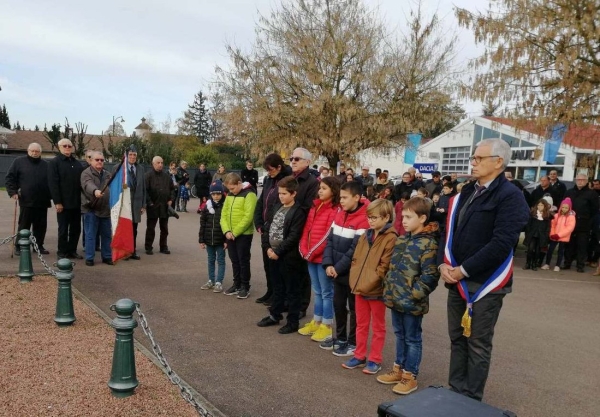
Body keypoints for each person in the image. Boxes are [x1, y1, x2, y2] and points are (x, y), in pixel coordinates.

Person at [438, 138, 529, 401]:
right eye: (473, 157)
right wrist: (444, 262)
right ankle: (455, 391)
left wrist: (463, 270)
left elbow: (501, 243)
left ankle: (470, 399)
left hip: (485, 284)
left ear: (498, 162)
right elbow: (450, 231)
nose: (473, 162)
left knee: (477, 344)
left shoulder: (511, 196)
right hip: (456, 279)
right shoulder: (467, 191)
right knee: (457, 338)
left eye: (479, 158)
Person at [377, 197, 440, 394]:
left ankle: (410, 376)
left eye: (408, 217)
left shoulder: (428, 243)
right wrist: (389, 287)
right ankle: (398, 369)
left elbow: (430, 276)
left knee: (412, 338)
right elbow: (393, 268)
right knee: (399, 335)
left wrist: (414, 295)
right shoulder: (402, 239)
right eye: (402, 216)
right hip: (396, 298)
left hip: (412, 302)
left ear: (422, 218)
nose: (403, 220)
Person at [342, 199, 397, 375]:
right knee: (361, 324)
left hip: (377, 290)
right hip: (360, 286)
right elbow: (356, 259)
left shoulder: (391, 238)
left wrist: (367, 282)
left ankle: (375, 359)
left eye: (374, 217)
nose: (370, 221)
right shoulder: (366, 235)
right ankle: (359, 355)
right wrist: (355, 279)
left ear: (386, 217)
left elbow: (384, 266)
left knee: (378, 326)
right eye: (369, 217)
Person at [321, 181, 370, 356]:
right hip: (336, 271)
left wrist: (337, 268)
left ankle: (353, 341)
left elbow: (354, 250)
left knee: (354, 308)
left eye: (344, 197)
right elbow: (330, 241)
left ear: (356, 197)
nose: (340, 201)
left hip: (351, 273)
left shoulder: (364, 219)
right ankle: (340, 337)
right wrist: (328, 264)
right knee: (338, 305)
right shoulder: (340, 214)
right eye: (340, 197)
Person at [257, 176, 308, 333]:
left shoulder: (298, 212)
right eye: (279, 193)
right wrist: (267, 248)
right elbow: (268, 227)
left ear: (293, 193)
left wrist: (278, 252)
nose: (281, 196)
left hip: (288, 257)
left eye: (284, 193)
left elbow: (294, 236)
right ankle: (275, 314)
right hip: (272, 254)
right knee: (277, 287)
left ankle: (292, 321)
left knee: (292, 290)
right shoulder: (276, 207)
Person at [298, 176, 341, 342]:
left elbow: (327, 236)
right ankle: (316, 321)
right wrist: (303, 249)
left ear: (334, 190)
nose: (320, 191)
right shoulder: (315, 207)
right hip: (311, 256)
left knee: (326, 292)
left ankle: (327, 326)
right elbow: (306, 230)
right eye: (320, 188)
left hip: (323, 258)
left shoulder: (334, 210)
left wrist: (311, 252)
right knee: (317, 291)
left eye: (324, 188)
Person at [254, 153, 293, 304]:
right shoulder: (268, 180)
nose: (269, 173)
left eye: (271, 170)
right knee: (267, 264)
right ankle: (270, 291)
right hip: (265, 227)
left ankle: (279, 296)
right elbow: (262, 201)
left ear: (279, 167)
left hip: (276, 227)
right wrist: (258, 222)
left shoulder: (286, 179)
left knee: (277, 266)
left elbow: (279, 205)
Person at [5, 143, 52, 255]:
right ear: (28, 151)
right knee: (24, 225)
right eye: (32, 151)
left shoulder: (46, 165)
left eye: (37, 151)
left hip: (42, 201)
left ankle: (38, 246)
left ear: (40, 152)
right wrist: (12, 192)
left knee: (40, 226)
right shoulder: (19, 162)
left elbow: (52, 182)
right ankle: (19, 246)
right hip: (26, 200)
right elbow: (10, 178)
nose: (34, 153)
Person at [289, 148, 320, 317]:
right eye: (291, 158)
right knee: (289, 271)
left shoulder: (312, 183)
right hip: (288, 231)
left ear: (307, 162)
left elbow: (308, 209)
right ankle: (290, 302)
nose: (293, 161)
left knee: (302, 273)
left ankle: (301, 306)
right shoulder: (289, 179)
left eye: (297, 159)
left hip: (301, 232)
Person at [221, 173, 257, 299]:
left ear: (239, 183)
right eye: (229, 189)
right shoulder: (230, 195)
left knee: (243, 261)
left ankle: (245, 286)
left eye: (232, 188)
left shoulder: (249, 194)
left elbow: (248, 217)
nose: (231, 191)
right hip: (230, 234)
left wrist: (235, 232)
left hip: (243, 235)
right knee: (234, 260)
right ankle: (236, 284)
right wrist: (227, 231)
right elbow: (224, 214)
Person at [48, 138, 85, 259]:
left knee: (75, 229)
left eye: (69, 146)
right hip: (63, 203)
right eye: (65, 146)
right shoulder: (54, 163)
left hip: (76, 203)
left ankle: (72, 250)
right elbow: (53, 184)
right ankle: (62, 252)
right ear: (59, 147)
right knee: (63, 230)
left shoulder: (77, 163)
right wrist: (57, 202)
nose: (68, 148)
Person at [80, 151, 113, 266]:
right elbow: (87, 184)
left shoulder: (107, 174)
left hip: (105, 209)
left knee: (107, 235)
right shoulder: (86, 173)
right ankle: (89, 258)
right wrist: (95, 191)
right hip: (91, 209)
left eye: (102, 160)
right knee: (90, 235)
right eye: (97, 160)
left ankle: (107, 257)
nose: (99, 162)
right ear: (91, 161)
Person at [563, 174, 599, 272]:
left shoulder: (592, 194)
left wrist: (587, 220)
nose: (580, 181)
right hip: (570, 223)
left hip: (584, 224)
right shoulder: (569, 192)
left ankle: (580, 265)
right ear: (575, 180)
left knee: (582, 245)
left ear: (587, 181)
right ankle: (567, 263)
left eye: (582, 180)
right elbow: (563, 206)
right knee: (569, 245)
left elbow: (594, 210)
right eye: (578, 179)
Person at [199, 181, 227, 293]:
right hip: (208, 239)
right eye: (214, 194)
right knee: (210, 260)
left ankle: (219, 282)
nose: (216, 196)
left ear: (222, 194)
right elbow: (203, 224)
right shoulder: (206, 207)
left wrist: (226, 240)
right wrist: (201, 239)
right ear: (211, 194)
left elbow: (228, 224)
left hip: (220, 240)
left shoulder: (225, 206)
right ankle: (211, 280)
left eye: (218, 194)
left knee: (220, 260)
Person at [145, 156, 175, 255]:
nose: (160, 165)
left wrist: (171, 199)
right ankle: (148, 247)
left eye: (162, 163)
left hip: (164, 206)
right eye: (158, 163)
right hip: (153, 206)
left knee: (164, 229)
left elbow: (172, 189)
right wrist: (150, 203)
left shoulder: (167, 176)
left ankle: (163, 247)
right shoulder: (148, 176)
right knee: (151, 228)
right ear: (153, 164)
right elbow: (145, 191)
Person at [121, 148, 146, 260]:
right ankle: (124, 251)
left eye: (134, 155)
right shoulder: (120, 167)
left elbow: (144, 188)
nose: (132, 157)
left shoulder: (140, 168)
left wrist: (143, 205)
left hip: (136, 204)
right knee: (125, 228)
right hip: (124, 203)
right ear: (126, 155)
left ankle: (132, 250)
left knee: (134, 229)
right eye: (130, 154)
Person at [542, 198, 575, 272]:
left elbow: (569, 228)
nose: (564, 209)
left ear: (569, 208)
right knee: (550, 250)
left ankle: (557, 265)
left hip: (563, 237)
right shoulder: (557, 215)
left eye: (566, 207)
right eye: (563, 207)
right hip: (554, 236)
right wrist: (553, 234)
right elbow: (553, 225)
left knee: (560, 251)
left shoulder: (571, 217)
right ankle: (547, 264)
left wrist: (559, 235)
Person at [522, 199, 552, 271]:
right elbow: (528, 225)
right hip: (532, 234)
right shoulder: (533, 214)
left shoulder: (547, 216)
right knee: (530, 249)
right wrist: (528, 233)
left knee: (538, 251)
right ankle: (528, 263)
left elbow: (547, 228)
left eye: (542, 205)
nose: (540, 207)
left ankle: (534, 264)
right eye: (538, 205)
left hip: (541, 236)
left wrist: (546, 236)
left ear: (545, 206)